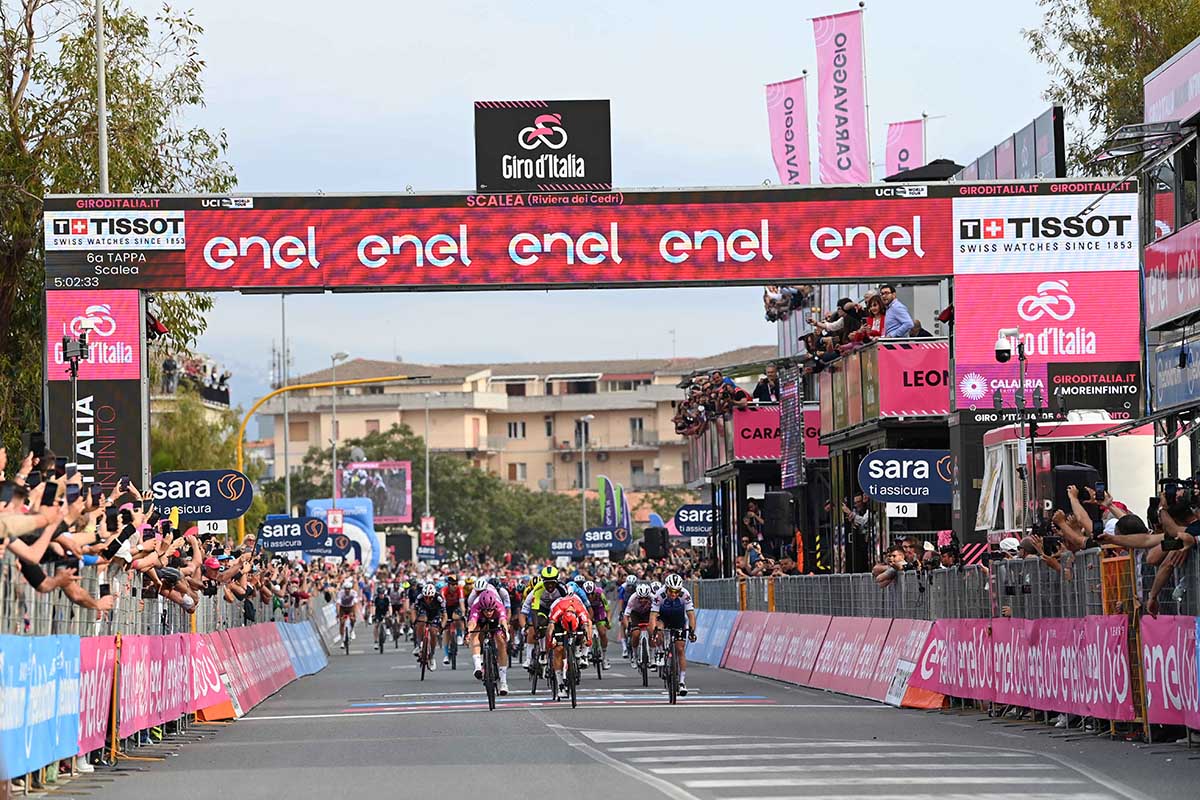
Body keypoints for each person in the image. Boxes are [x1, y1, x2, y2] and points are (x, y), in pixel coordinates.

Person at [650, 574, 697, 696]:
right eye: (671, 591)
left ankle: (681, 681)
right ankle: (660, 651)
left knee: (680, 649)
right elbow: (653, 615)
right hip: (663, 618)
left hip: (678, 620)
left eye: (677, 591)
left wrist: (692, 631)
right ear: (666, 588)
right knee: (658, 629)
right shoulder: (659, 594)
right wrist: (653, 632)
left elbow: (691, 614)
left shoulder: (685, 594)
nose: (674, 594)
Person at [519, 565, 569, 668]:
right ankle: (543, 652)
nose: (550, 586)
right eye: (547, 583)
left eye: (552, 583)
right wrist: (537, 629)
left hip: (558, 609)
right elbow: (534, 610)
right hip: (543, 609)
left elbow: (568, 606)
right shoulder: (538, 588)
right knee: (541, 624)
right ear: (543, 582)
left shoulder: (562, 589)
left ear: (557, 581)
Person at [467, 585, 510, 695]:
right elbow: (472, 622)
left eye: (491, 610)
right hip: (480, 619)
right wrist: (468, 632)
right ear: (481, 608)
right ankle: (477, 666)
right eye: (486, 610)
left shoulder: (499, 606)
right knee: (474, 633)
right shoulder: (476, 606)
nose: (489, 612)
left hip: (496, 621)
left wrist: (506, 631)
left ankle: (504, 682)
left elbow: (503, 621)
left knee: (501, 641)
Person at [544, 591, 593, 685]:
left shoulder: (580, 610)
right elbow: (550, 627)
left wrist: (588, 639)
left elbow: (586, 626)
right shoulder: (557, 610)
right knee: (558, 649)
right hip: (558, 620)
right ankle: (559, 683)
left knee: (587, 626)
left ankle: (580, 652)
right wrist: (550, 641)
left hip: (574, 615)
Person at [413, 583, 446, 668]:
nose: (428, 599)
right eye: (426, 597)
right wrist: (414, 622)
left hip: (435, 614)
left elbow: (445, 615)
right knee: (421, 621)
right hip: (424, 612)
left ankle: (431, 656)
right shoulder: (419, 597)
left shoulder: (439, 599)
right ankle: (419, 644)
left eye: (430, 598)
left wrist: (442, 626)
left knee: (433, 632)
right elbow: (413, 610)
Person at [582, 579, 612, 669]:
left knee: (602, 633)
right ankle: (586, 654)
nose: (590, 596)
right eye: (588, 595)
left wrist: (608, 620)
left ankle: (605, 657)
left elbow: (607, 609)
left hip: (599, 611)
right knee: (585, 632)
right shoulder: (582, 595)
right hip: (588, 611)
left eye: (592, 594)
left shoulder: (599, 593)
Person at [623, 582, 655, 663]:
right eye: (640, 598)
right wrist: (628, 628)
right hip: (635, 614)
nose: (643, 600)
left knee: (652, 633)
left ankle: (652, 657)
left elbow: (658, 612)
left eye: (645, 598)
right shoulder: (633, 598)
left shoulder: (653, 597)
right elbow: (626, 616)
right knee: (636, 634)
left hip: (648, 612)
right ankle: (635, 655)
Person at [441, 574, 465, 665]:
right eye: (452, 584)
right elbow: (442, 607)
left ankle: (459, 635)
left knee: (457, 617)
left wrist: (463, 614)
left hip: (456, 606)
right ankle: (446, 655)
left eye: (456, 584)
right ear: (448, 584)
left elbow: (462, 604)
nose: (455, 586)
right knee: (446, 631)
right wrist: (444, 618)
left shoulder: (460, 589)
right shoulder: (444, 590)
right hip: (446, 607)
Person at [335, 578, 358, 643]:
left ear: (351, 589)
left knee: (353, 619)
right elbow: (338, 604)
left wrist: (355, 614)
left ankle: (352, 630)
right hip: (342, 607)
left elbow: (355, 604)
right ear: (344, 589)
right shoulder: (340, 593)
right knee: (342, 622)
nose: (347, 590)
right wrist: (337, 613)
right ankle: (342, 639)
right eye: (346, 589)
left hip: (351, 607)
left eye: (349, 589)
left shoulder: (354, 593)